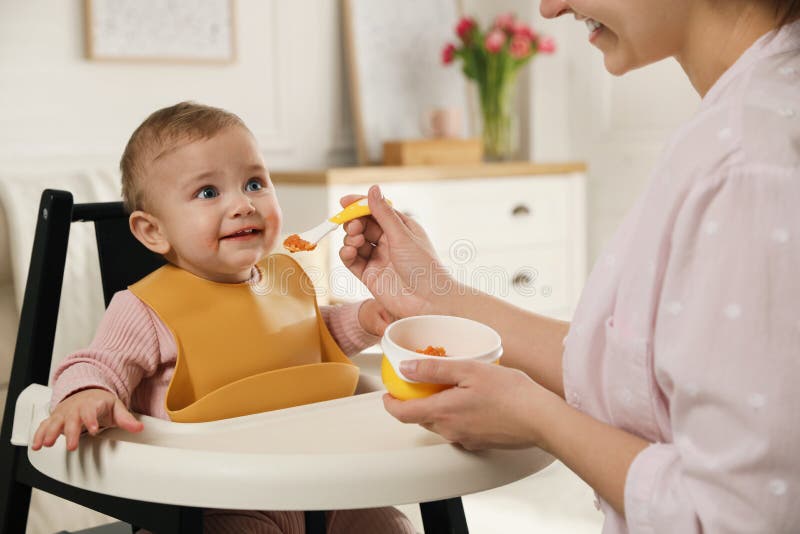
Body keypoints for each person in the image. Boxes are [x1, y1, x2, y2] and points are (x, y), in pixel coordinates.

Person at [339, 1, 800, 532]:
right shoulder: (748, 120)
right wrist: (436, 296)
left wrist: (538, 417)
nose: (550, 6)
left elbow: (736, 517)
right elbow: (648, 381)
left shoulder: (748, 162)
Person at [31, 102, 413, 534]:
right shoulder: (144, 307)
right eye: (208, 193)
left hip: (318, 480)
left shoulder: (285, 277)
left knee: (389, 524)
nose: (243, 204)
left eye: (254, 183)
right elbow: (98, 363)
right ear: (153, 231)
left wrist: (366, 318)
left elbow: (312, 336)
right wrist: (85, 393)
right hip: (212, 502)